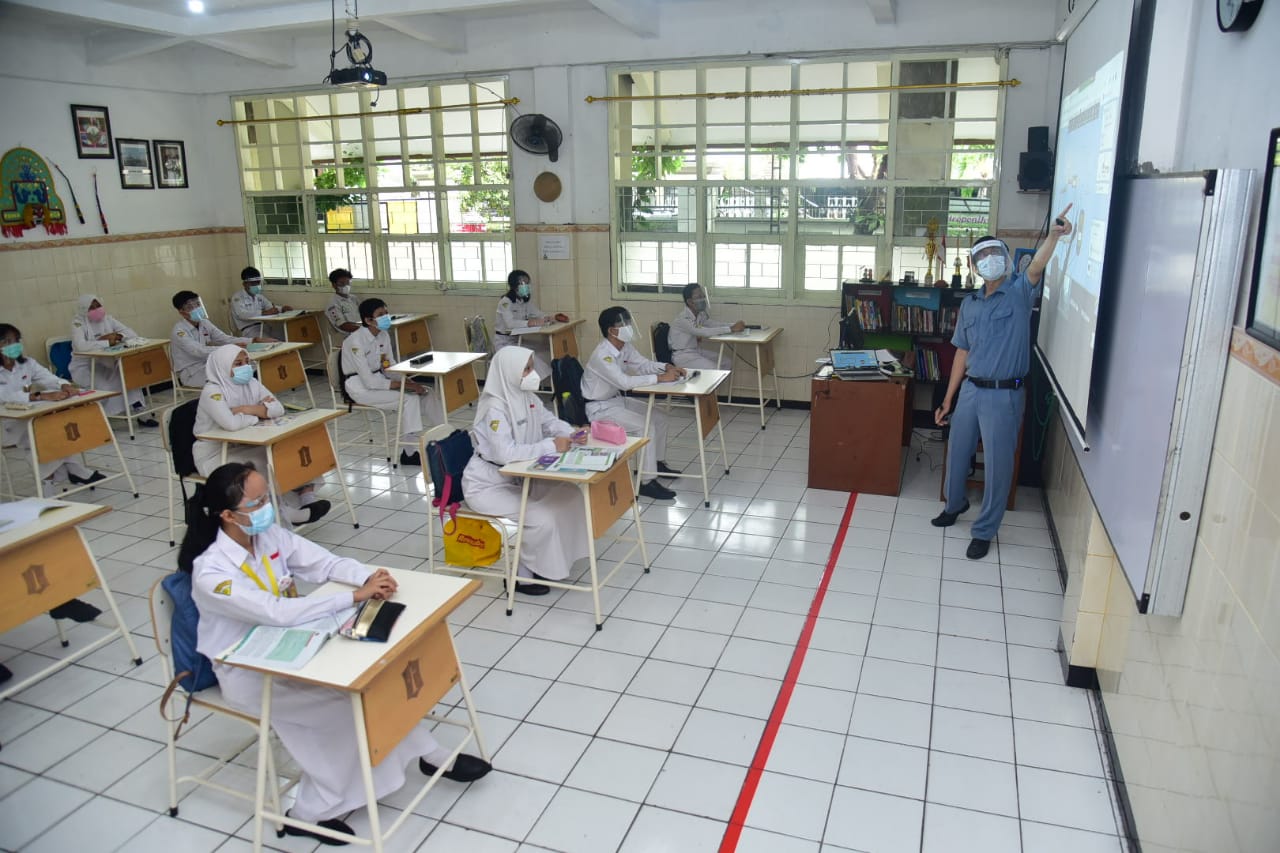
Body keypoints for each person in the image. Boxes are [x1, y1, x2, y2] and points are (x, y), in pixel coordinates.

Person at [182, 462, 490, 845]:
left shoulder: (269, 537)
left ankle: (429, 754)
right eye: (257, 501)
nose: (268, 507)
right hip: (248, 671)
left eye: (268, 497)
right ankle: (308, 812)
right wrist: (352, 596)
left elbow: (323, 562)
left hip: (294, 646)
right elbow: (273, 612)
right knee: (348, 703)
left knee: (376, 680)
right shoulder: (212, 572)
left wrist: (365, 576)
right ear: (228, 515)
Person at [932, 206, 1074, 559]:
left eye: (995, 252)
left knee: (998, 466)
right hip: (970, 391)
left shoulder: (1019, 292)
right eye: (982, 256)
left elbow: (1038, 265)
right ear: (974, 266)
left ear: (1006, 260)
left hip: (1004, 395)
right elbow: (961, 354)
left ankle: (984, 530)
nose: (990, 259)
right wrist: (948, 399)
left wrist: (1054, 236)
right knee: (958, 451)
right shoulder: (970, 304)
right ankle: (955, 505)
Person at [463, 346, 591, 596]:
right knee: (541, 517)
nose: (532, 374)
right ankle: (521, 576)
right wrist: (551, 445)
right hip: (488, 484)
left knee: (572, 495)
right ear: (509, 371)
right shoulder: (495, 408)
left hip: (520, 475)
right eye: (527, 368)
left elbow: (549, 421)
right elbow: (505, 454)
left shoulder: (524, 395)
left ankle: (553, 562)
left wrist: (570, 433)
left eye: (532, 367)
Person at [193, 345, 330, 526]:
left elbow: (278, 408)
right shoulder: (213, 391)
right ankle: (286, 515)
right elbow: (230, 424)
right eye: (238, 363)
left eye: (247, 362)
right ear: (223, 367)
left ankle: (306, 496)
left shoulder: (251, 383)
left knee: (292, 451)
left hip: (247, 443)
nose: (245, 367)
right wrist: (259, 413)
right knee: (262, 465)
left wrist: (244, 410)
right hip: (217, 453)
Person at [581, 306, 682, 501]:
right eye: (623, 323)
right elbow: (624, 382)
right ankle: (646, 482)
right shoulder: (603, 354)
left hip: (616, 401)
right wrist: (660, 379)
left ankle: (656, 463)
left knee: (660, 417)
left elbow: (642, 364)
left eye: (628, 321)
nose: (628, 326)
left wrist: (666, 366)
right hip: (599, 408)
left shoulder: (624, 346)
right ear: (612, 330)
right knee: (646, 426)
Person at [0, 322, 108, 489]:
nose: (13, 345)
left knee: (59, 425)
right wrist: (39, 395)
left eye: (16, 340)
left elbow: (46, 377)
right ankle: (62, 476)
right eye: (7, 342)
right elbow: (5, 396)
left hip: (31, 415)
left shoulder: (27, 363)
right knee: (43, 434)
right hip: (8, 422)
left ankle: (54, 479)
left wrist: (63, 385)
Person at [340, 298, 438, 467]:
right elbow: (369, 382)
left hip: (379, 379)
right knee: (409, 398)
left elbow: (389, 367)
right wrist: (406, 387)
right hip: (359, 388)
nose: (386, 317)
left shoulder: (383, 335)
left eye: (386, 313)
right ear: (368, 320)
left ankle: (446, 435)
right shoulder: (355, 342)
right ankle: (409, 453)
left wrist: (409, 382)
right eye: (381, 315)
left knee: (427, 392)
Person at [68, 294, 157, 426]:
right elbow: (81, 346)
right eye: (91, 308)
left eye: (98, 305)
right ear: (83, 310)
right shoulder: (77, 324)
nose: (96, 309)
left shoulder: (108, 319)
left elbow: (132, 334)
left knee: (130, 378)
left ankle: (141, 412)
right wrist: (105, 342)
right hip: (86, 368)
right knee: (105, 387)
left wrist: (119, 335)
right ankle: (101, 418)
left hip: (107, 363)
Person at [171, 290, 272, 388]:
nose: (196, 308)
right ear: (182, 312)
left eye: (198, 304)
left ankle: (253, 395)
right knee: (234, 373)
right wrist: (229, 348)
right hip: (192, 373)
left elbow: (224, 338)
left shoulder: (204, 323)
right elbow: (198, 351)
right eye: (190, 307)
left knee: (252, 365)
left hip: (208, 364)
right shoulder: (179, 331)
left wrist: (253, 340)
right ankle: (239, 400)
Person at [493, 270, 560, 381]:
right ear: (514, 285)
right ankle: (532, 383)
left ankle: (547, 380)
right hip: (504, 343)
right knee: (532, 355)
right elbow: (510, 323)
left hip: (517, 340)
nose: (526, 286)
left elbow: (538, 313)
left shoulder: (524, 301)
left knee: (546, 349)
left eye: (527, 283)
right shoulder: (505, 302)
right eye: (523, 283)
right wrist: (528, 323)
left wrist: (549, 318)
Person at [669, 283, 743, 369]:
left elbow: (712, 324)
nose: (703, 299)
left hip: (695, 351)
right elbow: (703, 331)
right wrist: (730, 329)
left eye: (703, 296)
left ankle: (716, 382)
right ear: (690, 302)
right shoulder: (683, 318)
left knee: (726, 362)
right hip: (683, 356)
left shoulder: (699, 314)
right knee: (714, 369)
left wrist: (733, 325)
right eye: (699, 297)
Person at [230, 266, 291, 338]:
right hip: (249, 330)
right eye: (253, 283)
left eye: (258, 283)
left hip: (264, 327)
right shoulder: (237, 298)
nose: (256, 286)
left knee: (287, 335)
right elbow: (242, 314)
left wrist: (282, 309)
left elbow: (270, 307)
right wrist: (263, 313)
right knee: (271, 343)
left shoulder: (259, 296)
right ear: (244, 284)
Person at [324, 268, 361, 336]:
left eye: (348, 282)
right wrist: (365, 329)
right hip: (349, 336)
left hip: (360, 332)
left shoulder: (354, 299)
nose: (346, 286)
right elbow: (343, 325)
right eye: (342, 283)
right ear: (334, 285)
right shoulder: (333, 304)